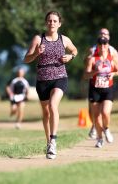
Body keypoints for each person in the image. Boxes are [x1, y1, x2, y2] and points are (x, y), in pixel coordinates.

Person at [24, 11, 78, 159]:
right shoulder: (38, 39)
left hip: (60, 77)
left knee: (53, 106)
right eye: (49, 21)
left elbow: (74, 49)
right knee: (46, 112)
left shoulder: (64, 39)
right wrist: (36, 53)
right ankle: (48, 142)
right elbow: (26, 59)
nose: (52, 23)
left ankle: (53, 141)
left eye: (55, 21)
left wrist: (71, 56)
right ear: (46, 23)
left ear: (59, 24)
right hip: (42, 80)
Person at [84, 35, 118, 148]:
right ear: (97, 46)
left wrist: (113, 73)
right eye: (100, 44)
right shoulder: (92, 59)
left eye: (105, 44)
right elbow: (86, 75)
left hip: (108, 89)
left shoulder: (112, 58)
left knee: (105, 112)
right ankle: (100, 138)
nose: (102, 46)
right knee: (96, 116)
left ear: (107, 45)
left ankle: (106, 129)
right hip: (95, 89)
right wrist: (95, 72)